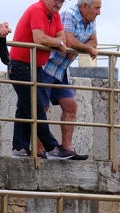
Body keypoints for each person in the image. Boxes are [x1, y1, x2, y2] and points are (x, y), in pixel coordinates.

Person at [39, 0, 100, 161]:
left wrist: (81, 47)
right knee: (42, 107)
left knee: (70, 105)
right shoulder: (69, 15)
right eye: (96, 8)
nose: (99, 12)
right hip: (47, 66)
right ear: (84, 6)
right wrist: (85, 48)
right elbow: (68, 40)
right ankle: (39, 150)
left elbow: (94, 42)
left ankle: (66, 149)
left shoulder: (91, 20)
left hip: (62, 69)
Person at [8, 0, 66, 159]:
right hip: (21, 65)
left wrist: (58, 41)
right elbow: (39, 38)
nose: (59, 4)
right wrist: (58, 43)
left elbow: (62, 38)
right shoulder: (37, 10)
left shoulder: (54, 15)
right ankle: (52, 147)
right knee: (36, 106)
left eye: (62, 1)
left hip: (36, 66)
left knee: (25, 106)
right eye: (57, 0)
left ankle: (19, 147)